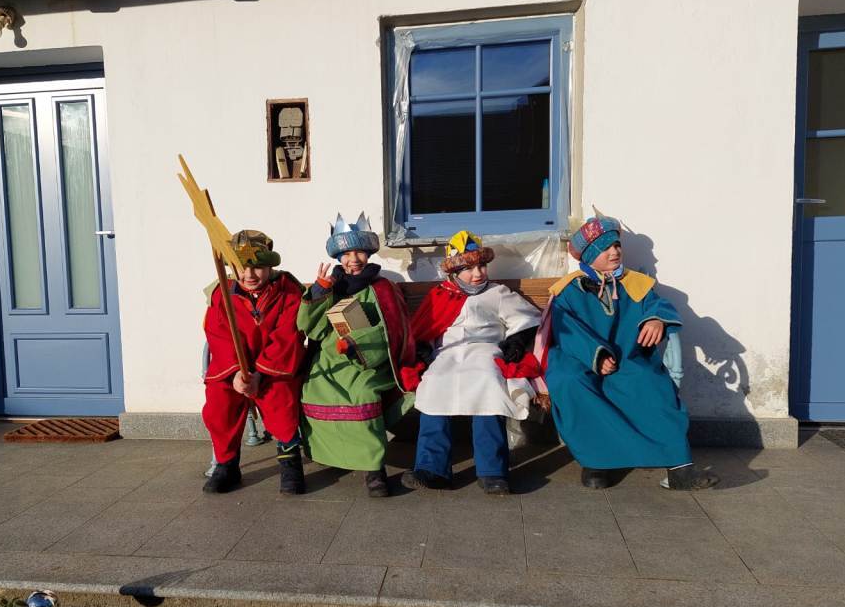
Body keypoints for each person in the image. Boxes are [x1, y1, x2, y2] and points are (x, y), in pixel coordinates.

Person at [544, 216, 717, 490]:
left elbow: (658, 305)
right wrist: (596, 356)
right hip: (579, 358)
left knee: (650, 385)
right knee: (570, 382)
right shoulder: (568, 290)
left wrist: (656, 319)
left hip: (628, 357)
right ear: (588, 254)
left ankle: (679, 469)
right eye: (605, 247)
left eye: (616, 245)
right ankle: (597, 463)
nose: (614, 252)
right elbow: (565, 330)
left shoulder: (636, 283)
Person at [399, 231, 542, 496]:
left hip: (485, 351)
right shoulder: (440, 294)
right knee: (433, 384)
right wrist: (422, 350)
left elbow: (526, 319)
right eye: (468, 268)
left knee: (488, 385)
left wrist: (516, 342)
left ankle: (492, 470)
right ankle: (432, 468)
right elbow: (424, 329)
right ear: (454, 271)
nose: (477, 273)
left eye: (481, 266)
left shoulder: (497, 293)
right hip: (446, 354)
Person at [298, 213, 415, 497]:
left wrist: (356, 343)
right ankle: (333, 455)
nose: (354, 259)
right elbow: (310, 327)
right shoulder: (330, 286)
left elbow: (392, 330)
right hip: (328, 358)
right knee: (314, 388)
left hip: (369, 361)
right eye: (347, 254)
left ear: (369, 253)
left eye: (360, 252)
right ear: (338, 256)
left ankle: (374, 469)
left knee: (363, 395)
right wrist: (319, 291)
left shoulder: (383, 288)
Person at [201, 230, 307, 495]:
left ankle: (290, 462)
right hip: (232, 368)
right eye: (241, 267)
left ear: (270, 266)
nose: (249, 275)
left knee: (281, 398)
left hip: (274, 367)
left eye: (257, 267)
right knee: (219, 403)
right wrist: (237, 373)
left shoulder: (289, 291)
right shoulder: (221, 293)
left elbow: (287, 336)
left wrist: (260, 374)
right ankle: (227, 465)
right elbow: (218, 334)